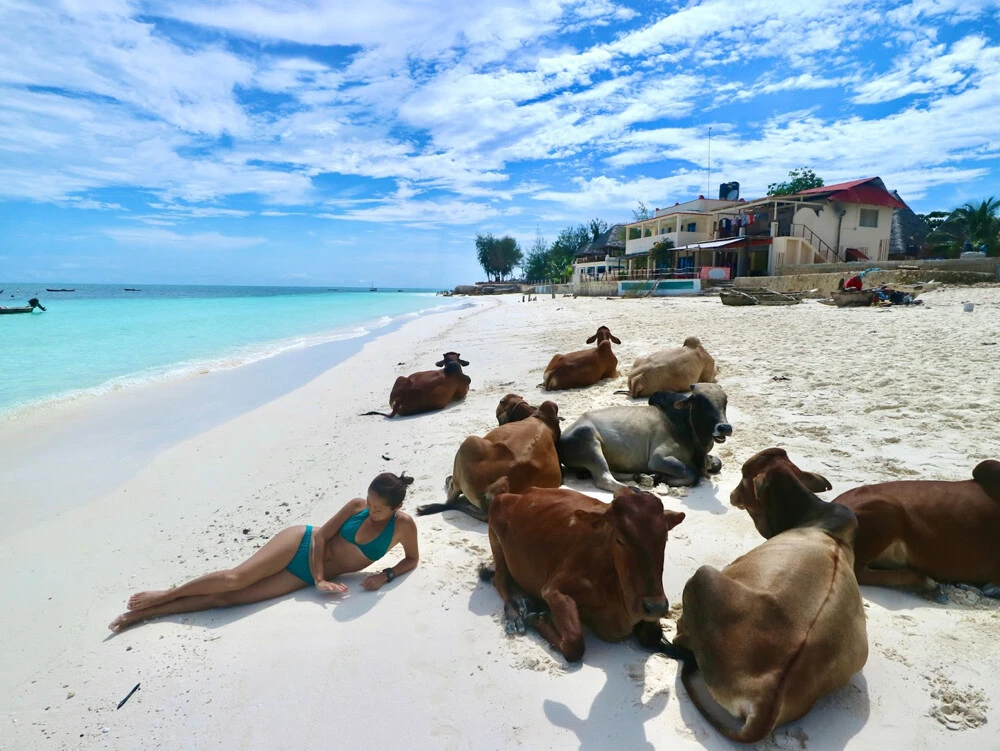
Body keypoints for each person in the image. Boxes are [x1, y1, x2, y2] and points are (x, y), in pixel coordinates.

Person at [109, 472, 419, 632]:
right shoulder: (356, 506)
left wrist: (385, 575)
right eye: (369, 501)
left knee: (227, 600)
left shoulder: (403, 526)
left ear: (397, 508)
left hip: (301, 575)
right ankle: (165, 595)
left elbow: (412, 559)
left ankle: (146, 614)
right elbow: (322, 536)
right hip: (301, 544)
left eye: (378, 509)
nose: (371, 509)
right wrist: (320, 579)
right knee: (235, 578)